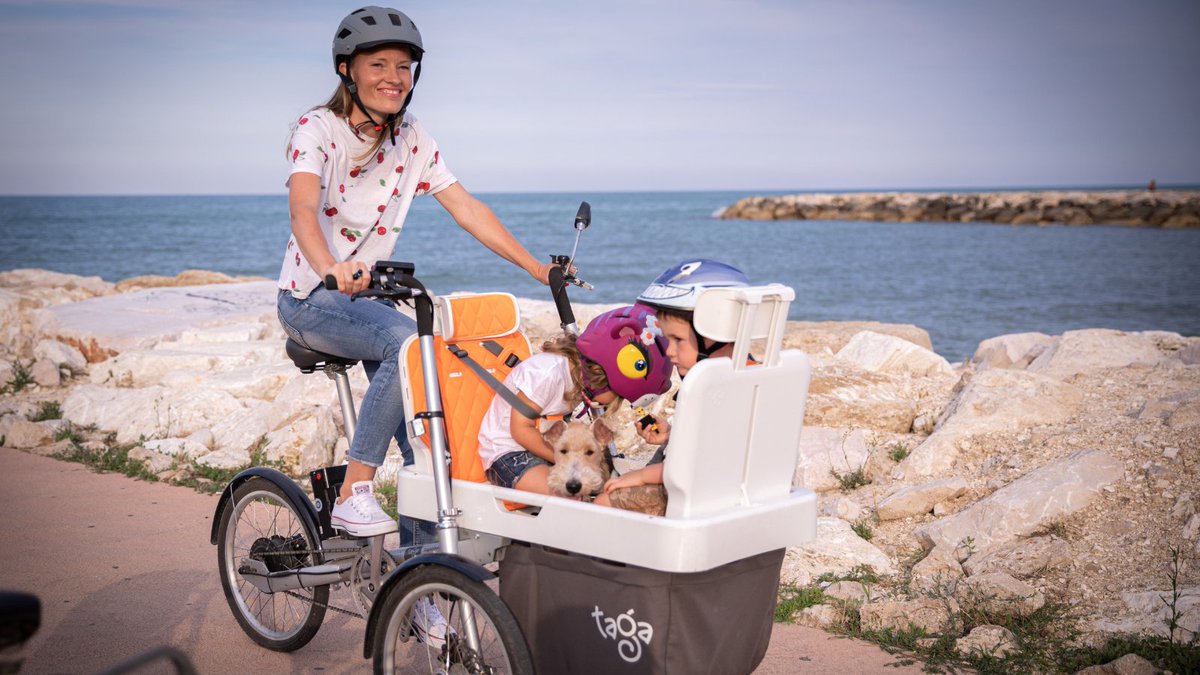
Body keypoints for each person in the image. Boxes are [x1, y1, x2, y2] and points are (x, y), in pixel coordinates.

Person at [276, 6, 558, 540]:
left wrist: (537, 268)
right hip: (311, 296)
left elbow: (466, 208)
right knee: (411, 347)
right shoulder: (317, 130)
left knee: (427, 442)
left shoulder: (413, 139)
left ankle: (418, 587)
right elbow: (303, 211)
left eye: (403, 67)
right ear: (347, 71)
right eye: (378, 64)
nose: (393, 78)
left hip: (369, 305)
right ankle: (354, 491)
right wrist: (331, 268)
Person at [596, 260, 751, 504]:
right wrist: (672, 435)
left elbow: (690, 468)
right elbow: (717, 446)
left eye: (678, 340)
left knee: (605, 501)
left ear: (716, 336)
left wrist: (640, 476)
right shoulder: (751, 376)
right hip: (738, 491)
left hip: (700, 497)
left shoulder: (709, 392)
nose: (669, 352)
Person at [479, 306, 673, 495]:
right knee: (566, 493)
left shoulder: (580, 376)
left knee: (600, 487)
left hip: (547, 448)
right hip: (508, 453)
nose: (617, 403)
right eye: (619, 395)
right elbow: (520, 430)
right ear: (600, 376)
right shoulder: (546, 375)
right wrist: (568, 460)